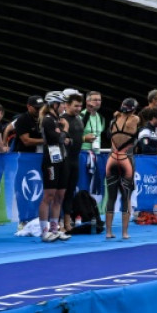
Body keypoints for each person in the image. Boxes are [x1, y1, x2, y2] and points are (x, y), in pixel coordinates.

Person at [38, 91, 71, 242]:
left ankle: (54, 228)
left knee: (60, 196)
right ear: (54, 104)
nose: (65, 106)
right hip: (51, 161)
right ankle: (44, 231)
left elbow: (66, 141)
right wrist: (64, 131)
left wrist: (64, 135)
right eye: (63, 103)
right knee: (49, 196)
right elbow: (57, 138)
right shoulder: (48, 120)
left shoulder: (59, 120)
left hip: (62, 159)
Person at [105, 98, 139, 239]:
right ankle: (125, 233)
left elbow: (109, 135)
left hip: (112, 159)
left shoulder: (114, 120)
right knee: (126, 197)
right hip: (126, 159)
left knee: (111, 197)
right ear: (134, 109)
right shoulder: (135, 119)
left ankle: (108, 232)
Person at [61, 93, 85, 233]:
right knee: (61, 192)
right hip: (64, 160)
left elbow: (77, 138)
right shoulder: (62, 120)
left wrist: (83, 139)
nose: (78, 108)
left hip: (75, 159)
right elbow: (63, 140)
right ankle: (59, 222)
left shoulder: (79, 119)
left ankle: (67, 221)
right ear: (67, 105)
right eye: (75, 106)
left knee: (70, 191)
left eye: (80, 106)